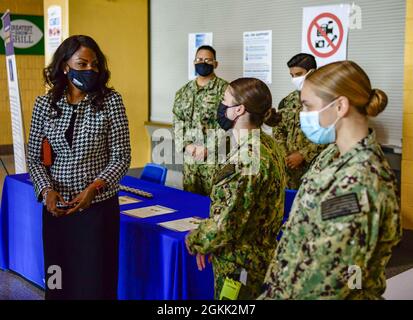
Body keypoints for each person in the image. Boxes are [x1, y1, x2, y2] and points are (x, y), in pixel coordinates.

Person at [260, 61, 402, 299]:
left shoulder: (359, 180)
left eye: (308, 106)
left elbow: (332, 281)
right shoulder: (333, 153)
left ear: (340, 107)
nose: (302, 115)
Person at [27, 35, 131, 300]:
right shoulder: (45, 104)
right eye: (82, 64)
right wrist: (46, 190)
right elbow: (34, 158)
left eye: (94, 65)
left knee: (94, 283)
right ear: (65, 66)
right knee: (57, 279)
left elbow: (121, 157)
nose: (89, 71)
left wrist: (94, 189)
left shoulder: (110, 101)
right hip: (56, 211)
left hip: (96, 211)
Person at [185, 78, 286, 300]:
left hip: (239, 263)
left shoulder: (246, 158)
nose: (220, 106)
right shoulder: (269, 144)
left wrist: (196, 241)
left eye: (224, 100)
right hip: (263, 255)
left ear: (239, 109)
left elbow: (226, 224)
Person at [172, 45, 228, 196]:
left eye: (208, 60)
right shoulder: (183, 92)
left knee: (215, 202)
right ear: (194, 62)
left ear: (215, 64)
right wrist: (186, 146)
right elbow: (177, 122)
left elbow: (227, 124)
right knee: (190, 204)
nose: (203, 63)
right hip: (190, 162)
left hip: (215, 161)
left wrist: (208, 148)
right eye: (199, 59)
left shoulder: (226, 90)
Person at [273, 53, 325, 190]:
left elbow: (330, 132)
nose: (295, 79)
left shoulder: (326, 100)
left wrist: (303, 154)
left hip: (316, 168)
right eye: (292, 75)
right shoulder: (287, 101)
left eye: (298, 74)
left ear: (312, 72)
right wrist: (285, 156)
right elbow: (278, 130)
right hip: (290, 170)